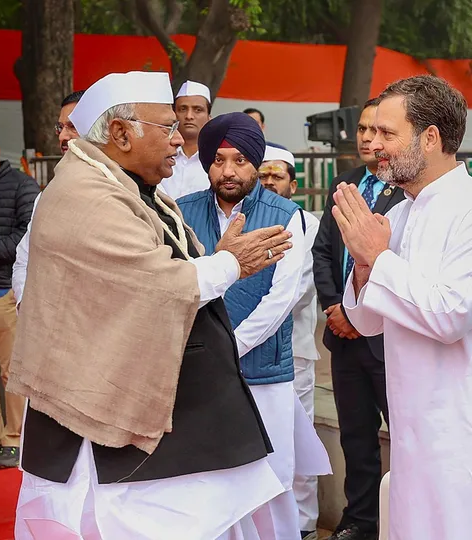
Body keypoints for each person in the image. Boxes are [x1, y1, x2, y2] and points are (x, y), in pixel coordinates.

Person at [9, 71, 297, 539]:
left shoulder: (133, 187)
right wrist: (229, 263)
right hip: (99, 414)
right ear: (121, 133)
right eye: (166, 127)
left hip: (155, 401)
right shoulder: (86, 195)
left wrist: (215, 258)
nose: (180, 140)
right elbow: (152, 282)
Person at [336, 75, 472, 540]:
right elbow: (366, 321)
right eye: (374, 132)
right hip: (414, 431)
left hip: (470, 431)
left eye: (388, 133)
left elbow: (450, 317)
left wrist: (378, 258)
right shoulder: (400, 212)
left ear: (430, 138)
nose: (374, 145)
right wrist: (365, 264)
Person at [177, 113, 331, 539]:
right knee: (207, 481)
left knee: (271, 483)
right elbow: (180, 286)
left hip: (265, 374)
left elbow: (280, 301)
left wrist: (225, 350)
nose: (228, 171)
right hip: (199, 376)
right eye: (219, 160)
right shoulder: (181, 213)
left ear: (255, 163)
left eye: (241, 160)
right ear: (207, 163)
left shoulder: (288, 216)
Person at [312, 97, 405, 540]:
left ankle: (403, 520)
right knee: (356, 438)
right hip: (342, 336)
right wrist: (335, 307)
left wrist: (361, 313)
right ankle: (361, 521)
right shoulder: (344, 183)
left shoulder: (406, 191)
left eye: (378, 130)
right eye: (363, 130)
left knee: (404, 438)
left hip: (385, 337)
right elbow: (323, 252)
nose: (368, 138)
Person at [259, 143, 326, 539]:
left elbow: (296, 292)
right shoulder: (247, 220)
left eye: (276, 176)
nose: (269, 182)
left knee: (300, 445)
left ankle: (302, 525)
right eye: (263, 175)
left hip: (294, 351)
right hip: (250, 354)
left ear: (293, 183)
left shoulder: (306, 224)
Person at [0, 125, 39, 469]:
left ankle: (15, 439)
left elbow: (25, 236)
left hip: (6, 288)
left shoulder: (22, 187)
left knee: (11, 371)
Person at [14, 90, 88, 305]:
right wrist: (26, 305)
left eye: (72, 127)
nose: (63, 137)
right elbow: (24, 260)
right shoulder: (47, 196)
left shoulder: (126, 191)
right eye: (60, 127)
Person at [158, 80, 213, 199]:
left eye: (198, 110)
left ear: (209, 117)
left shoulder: (216, 160)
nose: (189, 116)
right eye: (183, 109)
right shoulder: (157, 154)